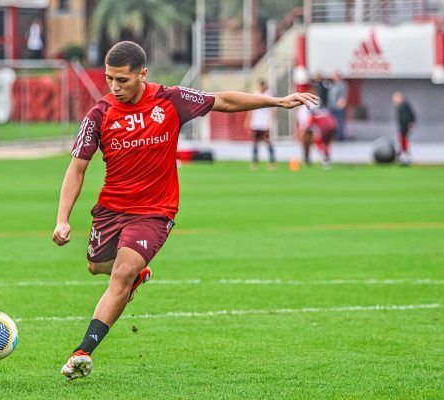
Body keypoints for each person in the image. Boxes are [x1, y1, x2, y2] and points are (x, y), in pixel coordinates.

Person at [52, 41, 318, 381]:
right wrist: (62, 219)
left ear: (143, 74)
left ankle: (82, 352)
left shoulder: (170, 99)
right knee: (96, 267)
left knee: (121, 275)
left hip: (155, 211)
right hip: (111, 208)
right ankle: (137, 277)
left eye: (123, 80)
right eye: (109, 79)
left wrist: (277, 101)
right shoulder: (99, 115)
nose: (114, 87)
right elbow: (77, 168)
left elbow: (222, 100)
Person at [248, 79, 276, 170]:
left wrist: (271, 121)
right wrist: (249, 120)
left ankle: (272, 162)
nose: (261, 87)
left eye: (262, 85)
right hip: (256, 124)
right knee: (255, 143)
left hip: (265, 123)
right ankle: (255, 162)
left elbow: (273, 109)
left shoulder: (269, 95)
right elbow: (252, 109)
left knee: (268, 143)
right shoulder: (256, 94)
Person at [392, 91, 416, 165]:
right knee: (401, 140)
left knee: (404, 141)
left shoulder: (405, 105)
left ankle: (405, 156)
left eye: (395, 97)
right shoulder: (399, 106)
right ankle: (402, 155)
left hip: (405, 126)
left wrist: (411, 124)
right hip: (402, 126)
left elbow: (412, 116)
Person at [327, 72, 348, 141]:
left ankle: (340, 137)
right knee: (332, 122)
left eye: (335, 76)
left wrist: (342, 101)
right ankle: (333, 136)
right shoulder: (333, 85)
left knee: (339, 121)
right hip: (331, 106)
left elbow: (343, 95)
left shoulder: (342, 85)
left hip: (338, 106)